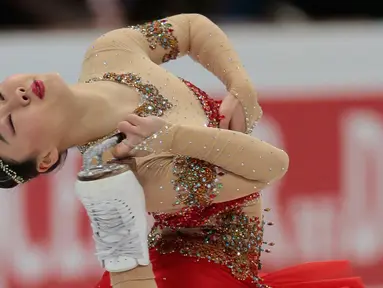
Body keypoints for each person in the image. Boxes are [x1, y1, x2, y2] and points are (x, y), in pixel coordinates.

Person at [0, 14, 363, 288]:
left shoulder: (107, 54)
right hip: (201, 277)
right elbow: (271, 164)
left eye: (1, 97)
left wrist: (238, 81)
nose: (16, 99)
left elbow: (191, 29)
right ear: (46, 158)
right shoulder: (138, 172)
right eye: (11, 124)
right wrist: (173, 138)